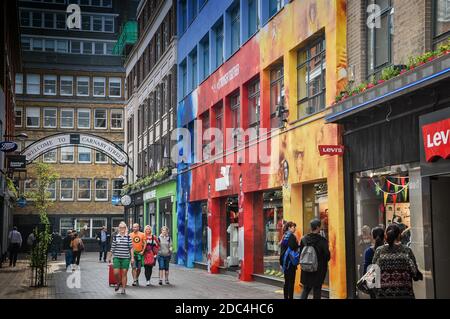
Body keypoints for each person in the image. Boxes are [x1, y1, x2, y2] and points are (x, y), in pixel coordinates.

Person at [372, 224, 420, 299]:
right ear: (399, 235)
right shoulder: (407, 250)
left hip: (383, 295)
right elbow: (415, 274)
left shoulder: (379, 251)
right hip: (405, 294)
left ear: (386, 236)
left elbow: (373, 273)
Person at [299, 219, 330, 299]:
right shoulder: (322, 240)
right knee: (317, 289)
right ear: (317, 227)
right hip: (318, 269)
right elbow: (327, 255)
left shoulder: (304, 239)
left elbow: (300, 254)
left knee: (306, 289)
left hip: (306, 268)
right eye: (320, 226)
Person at [108, 222, 134, 294]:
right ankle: (118, 282)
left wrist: (132, 258)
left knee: (124, 273)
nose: (122, 229)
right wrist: (109, 257)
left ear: (125, 228)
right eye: (121, 227)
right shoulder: (116, 237)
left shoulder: (128, 237)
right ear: (119, 229)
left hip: (126, 258)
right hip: (116, 257)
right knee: (116, 273)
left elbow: (131, 248)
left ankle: (123, 289)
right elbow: (112, 248)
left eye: (124, 227)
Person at [362, 227, 385, 299]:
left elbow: (366, 268)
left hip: (373, 282)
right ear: (384, 236)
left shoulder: (369, 251)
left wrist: (364, 280)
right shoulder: (387, 249)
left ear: (372, 237)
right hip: (387, 281)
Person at [279, 221, 298, 299]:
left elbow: (282, 249)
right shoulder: (292, 237)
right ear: (289, 227)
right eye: (293, 227)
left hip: (284, 262)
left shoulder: (284, 236)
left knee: (286, 281)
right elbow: (295, 248)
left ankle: (285, 297)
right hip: (290, 262)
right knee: (291, 282)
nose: (295, 229)